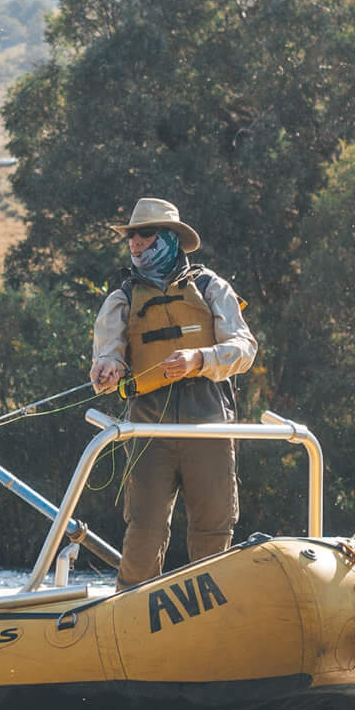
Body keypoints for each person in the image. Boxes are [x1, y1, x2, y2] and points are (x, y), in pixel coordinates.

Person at [87, 197, 258, 589]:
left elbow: (245, 349)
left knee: (213, 529)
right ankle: (130, 611)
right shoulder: (121, 298)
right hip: (148, 427)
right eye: (131, 236)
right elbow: (107, 353)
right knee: (143, 532)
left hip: (208, 424)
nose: (135, 243)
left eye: (144, 234)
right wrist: (107, 368)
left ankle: (211, 614)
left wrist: (200, 358)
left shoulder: (212, 287)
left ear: (169, 239)